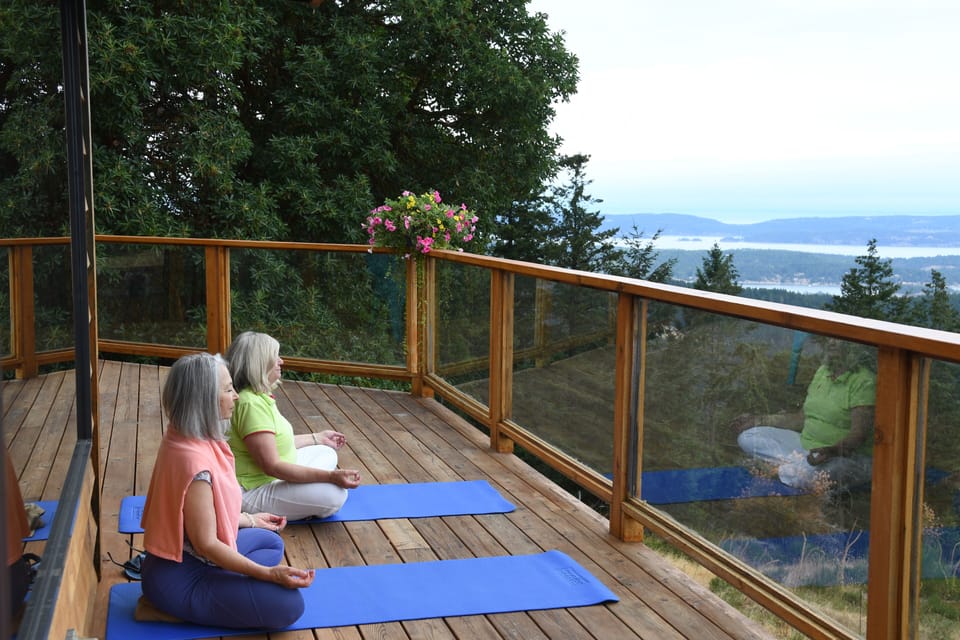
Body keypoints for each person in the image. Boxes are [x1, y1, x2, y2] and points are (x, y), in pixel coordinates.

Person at [139, 353, 314, 629]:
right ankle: (161, 608)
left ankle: (225, 588)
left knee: (270, 542)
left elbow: (200, 518)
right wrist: (267, 574)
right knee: (290, 606)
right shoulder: (194, 465)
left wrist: (250, 519)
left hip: (186, 559)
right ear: (204, 399)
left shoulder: (185, 434)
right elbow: (207, 544)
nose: (236, 396)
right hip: (179, 578)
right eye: (228, 389)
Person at [226, 331, 361, 520]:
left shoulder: (258, 396)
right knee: (335, 495)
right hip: (252, 490)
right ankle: (291, 498)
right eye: (275, 357)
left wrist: (317, 438)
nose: (281, 361)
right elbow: (273, 466)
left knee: (326, 452)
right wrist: (330, 477)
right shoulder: (250, 405)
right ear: (260, 363)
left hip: (273, 476)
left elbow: (276, 443)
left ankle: (297, 490)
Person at [732, 338, 876, 493]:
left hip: (843, 456)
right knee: (748, 437)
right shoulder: (823, 371)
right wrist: (759, 420)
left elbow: (858, 435)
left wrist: (832, 451)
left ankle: (777, 471)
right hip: (806, 449)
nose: (831, 342)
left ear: (853, 345)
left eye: (838, 339)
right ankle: (795, 471)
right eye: (829, 338)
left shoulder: (864, 381)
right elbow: (800, 419)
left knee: (826, 474)